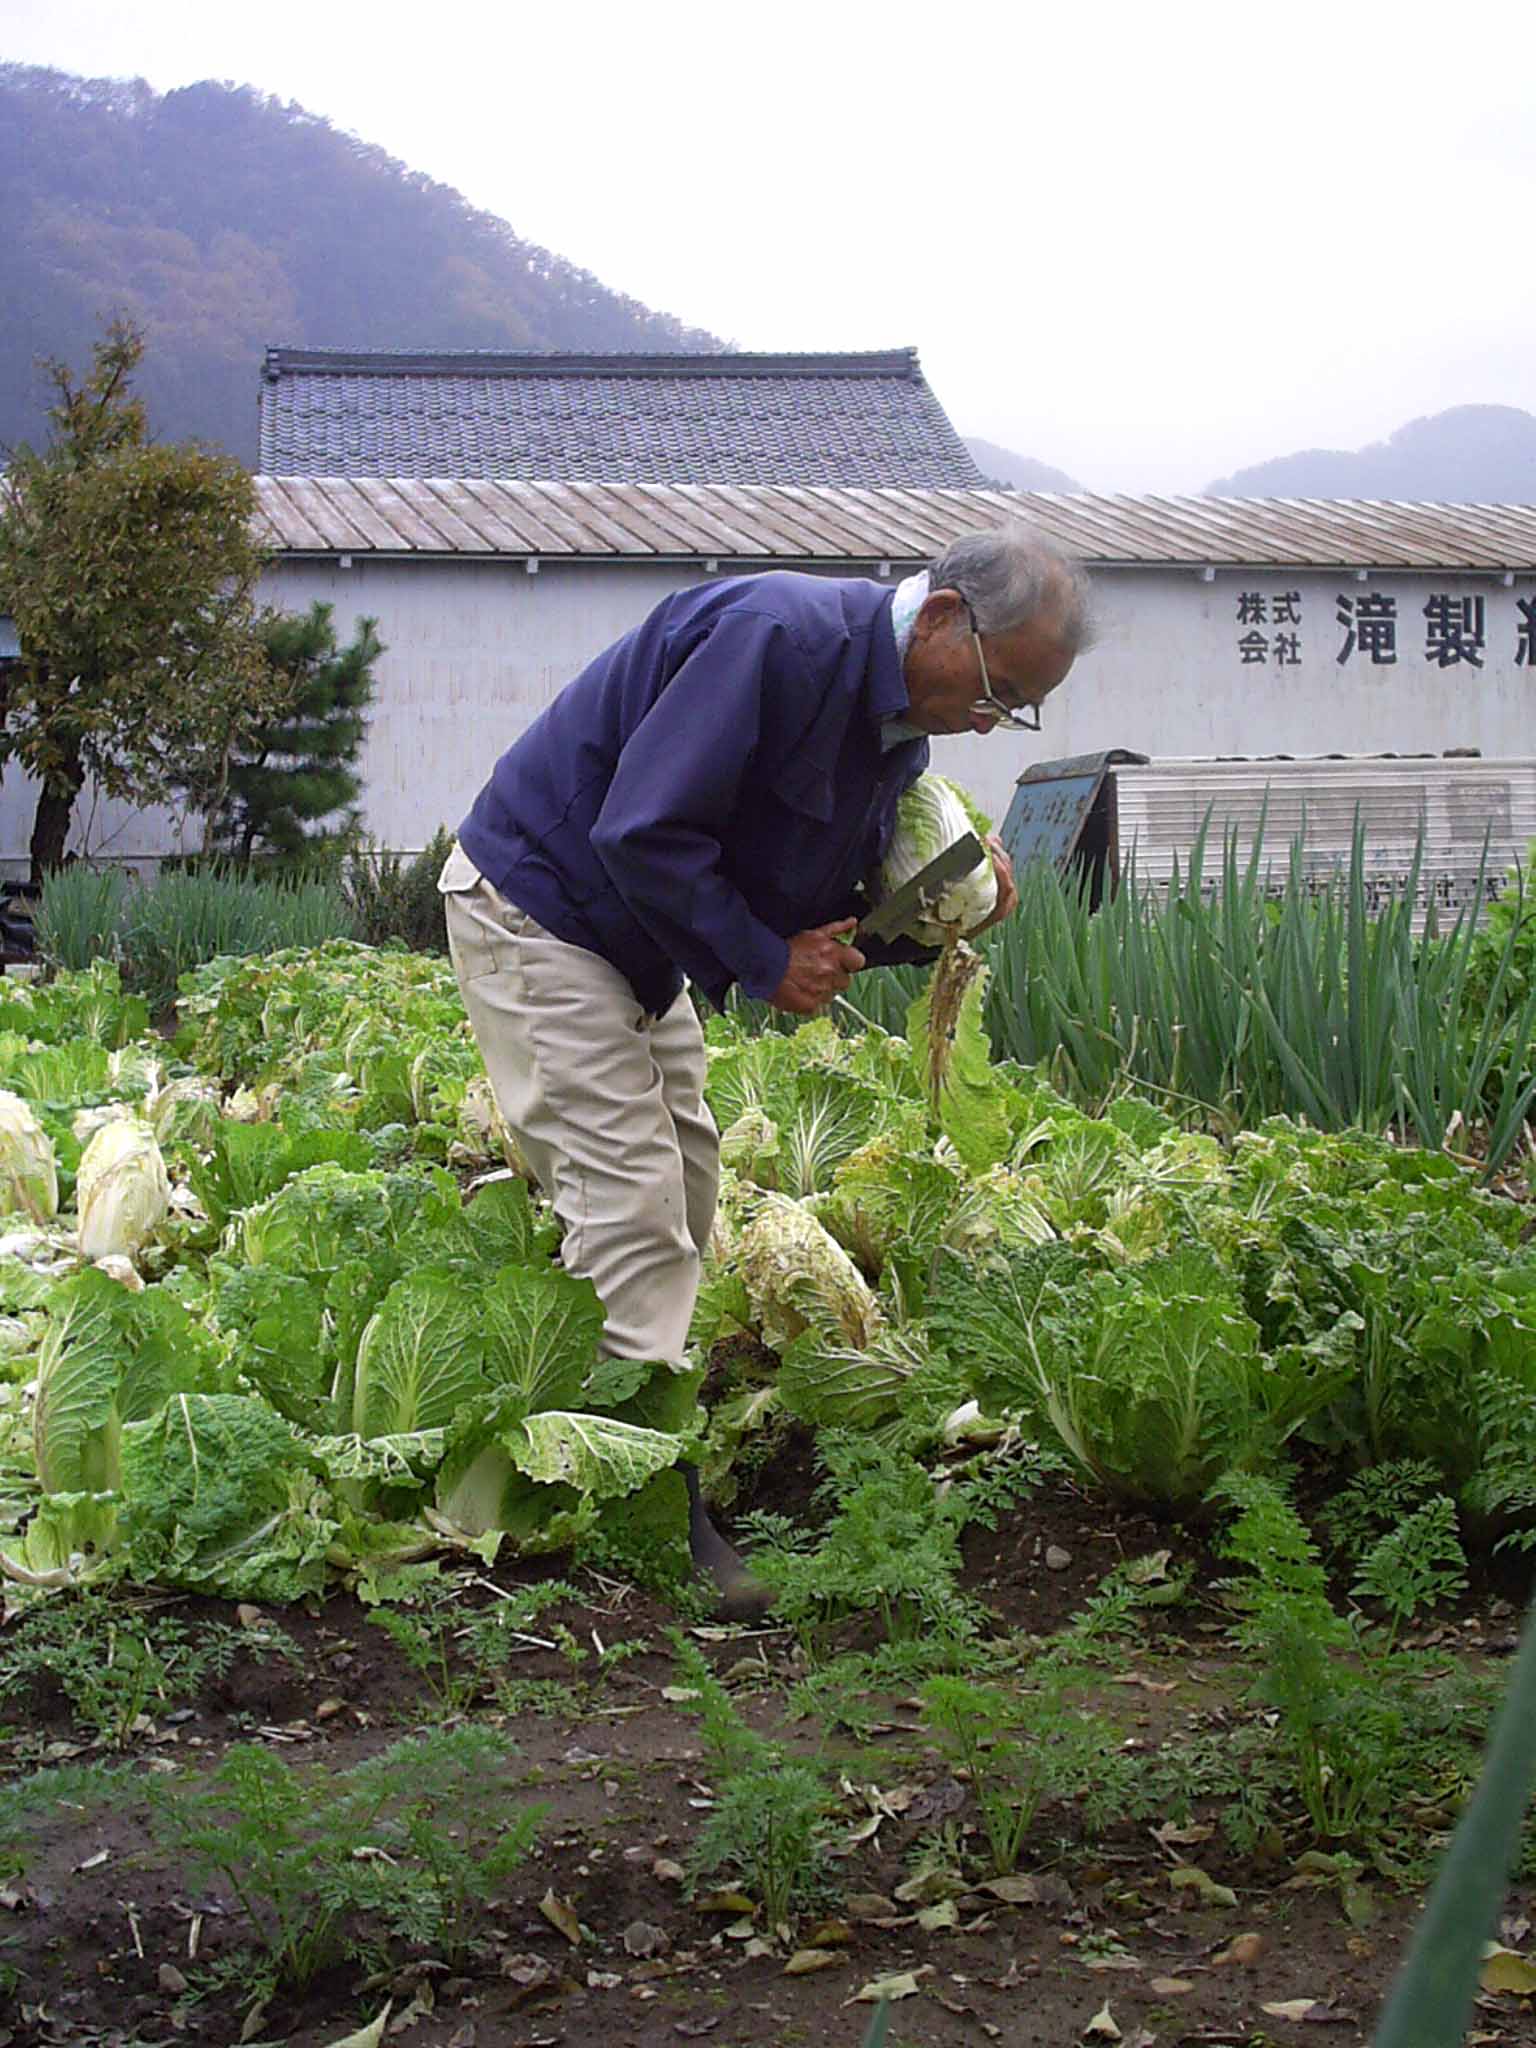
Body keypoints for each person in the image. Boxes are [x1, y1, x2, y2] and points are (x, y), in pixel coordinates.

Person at [438, 524, 1091, 1613]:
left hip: (634, 945)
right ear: (939, 618)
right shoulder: (775, 639)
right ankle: (646, 1510)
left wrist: (933, 912)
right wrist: (759, 958)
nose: (991, 719)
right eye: (996, 686)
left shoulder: (893, 741)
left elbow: (808, 917)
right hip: (542, 911)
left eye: (1017, 706)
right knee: (634, 1203)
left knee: (687, 1190)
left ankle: (580, 1424)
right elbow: (642, 829)